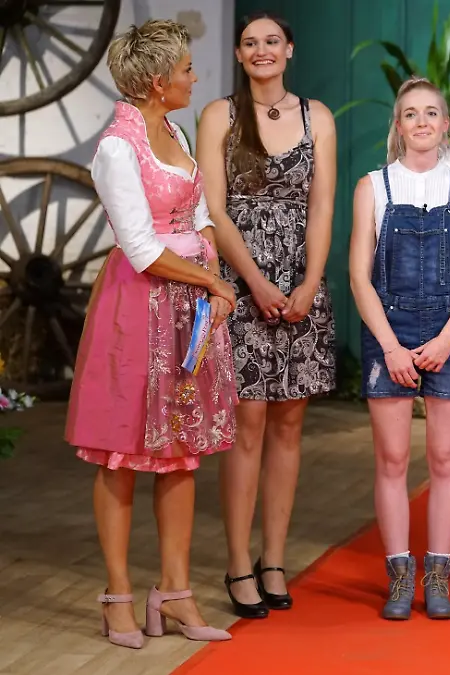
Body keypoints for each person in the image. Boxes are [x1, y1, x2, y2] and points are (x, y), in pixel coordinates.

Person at [65, 19, 238, 648]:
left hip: (189, 303)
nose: (196, 77)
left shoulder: (175, 130)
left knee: (180, 454)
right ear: (159, 81)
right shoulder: (118, 146)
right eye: (188, 69)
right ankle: (117, 596)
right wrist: (211, 282)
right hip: (140, 310)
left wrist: (212, 269)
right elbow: (139, 248)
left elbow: (196, 212)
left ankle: (175, 593)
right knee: (122, 455)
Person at [196, 10, 337, 619]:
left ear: (290, 50)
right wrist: (253, 282)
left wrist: (308, 283)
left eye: (271, 41)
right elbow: (214, 211)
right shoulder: (219, 115)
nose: (261, 50)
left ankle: (273, 558)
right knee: (246, 425)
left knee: (288, 425)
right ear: (239, 54)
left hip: (300, 286)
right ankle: (236, 562)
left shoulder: (317, 117)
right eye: (250, 42)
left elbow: (323, 207)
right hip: (239, 284)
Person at [348, 77, 450, 621]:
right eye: (411, 114)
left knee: (446, 458)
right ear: (398, 125)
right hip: (391, 331)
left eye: (432, 112)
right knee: (392, 458)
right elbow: (360, 277)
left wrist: (448, 337)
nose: (422, 122)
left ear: (446, 123)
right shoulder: (373, 187)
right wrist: (391, 347)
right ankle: (399, 576)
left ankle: (438, 575)